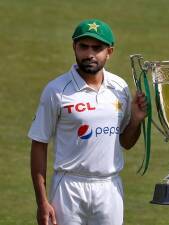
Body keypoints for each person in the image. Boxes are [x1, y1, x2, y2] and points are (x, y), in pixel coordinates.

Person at [29, 19, 147, 225]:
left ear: (109, 52)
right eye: (83, 46)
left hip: (110, 187)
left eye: (97, 48)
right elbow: (39, 144)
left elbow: (125, 143)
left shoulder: (120, 88)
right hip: (69, 187)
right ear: (74, 47)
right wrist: (42, 202)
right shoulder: (56, 90)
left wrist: (136, 120)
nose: (90, 54)